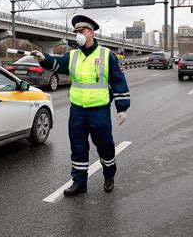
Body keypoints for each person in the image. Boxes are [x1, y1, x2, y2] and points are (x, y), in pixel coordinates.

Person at [32, 15, 130, 196]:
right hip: (77, 110)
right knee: (78, 147)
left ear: (91, 33)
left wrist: (122, 108)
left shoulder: (106, 55)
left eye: (82, 31)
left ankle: (109, 176)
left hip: (99, 110)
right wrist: (42, 58)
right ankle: (79, 183)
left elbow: (118, 81)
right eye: (76, 32)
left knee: (105, 146)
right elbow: (57, 65)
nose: (78, 34)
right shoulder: (72, 55)